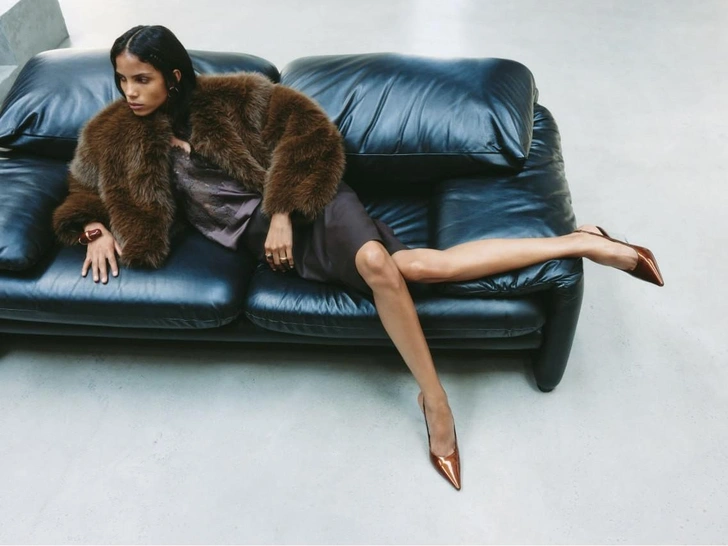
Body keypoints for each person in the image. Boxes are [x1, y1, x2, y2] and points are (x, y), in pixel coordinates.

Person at [52, 25, 664, 491]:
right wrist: (94, 228)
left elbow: (311, 131)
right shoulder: (114, 133)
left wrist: (283, 209)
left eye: (142, 80)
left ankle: (435, 403)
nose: (130, 93)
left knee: (376, 264)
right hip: (258, 240)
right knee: (419, 268)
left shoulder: (234, 98)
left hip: (309, 202)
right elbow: (81, 187)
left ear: (174, 75)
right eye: (122, 81)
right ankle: (579, 240)